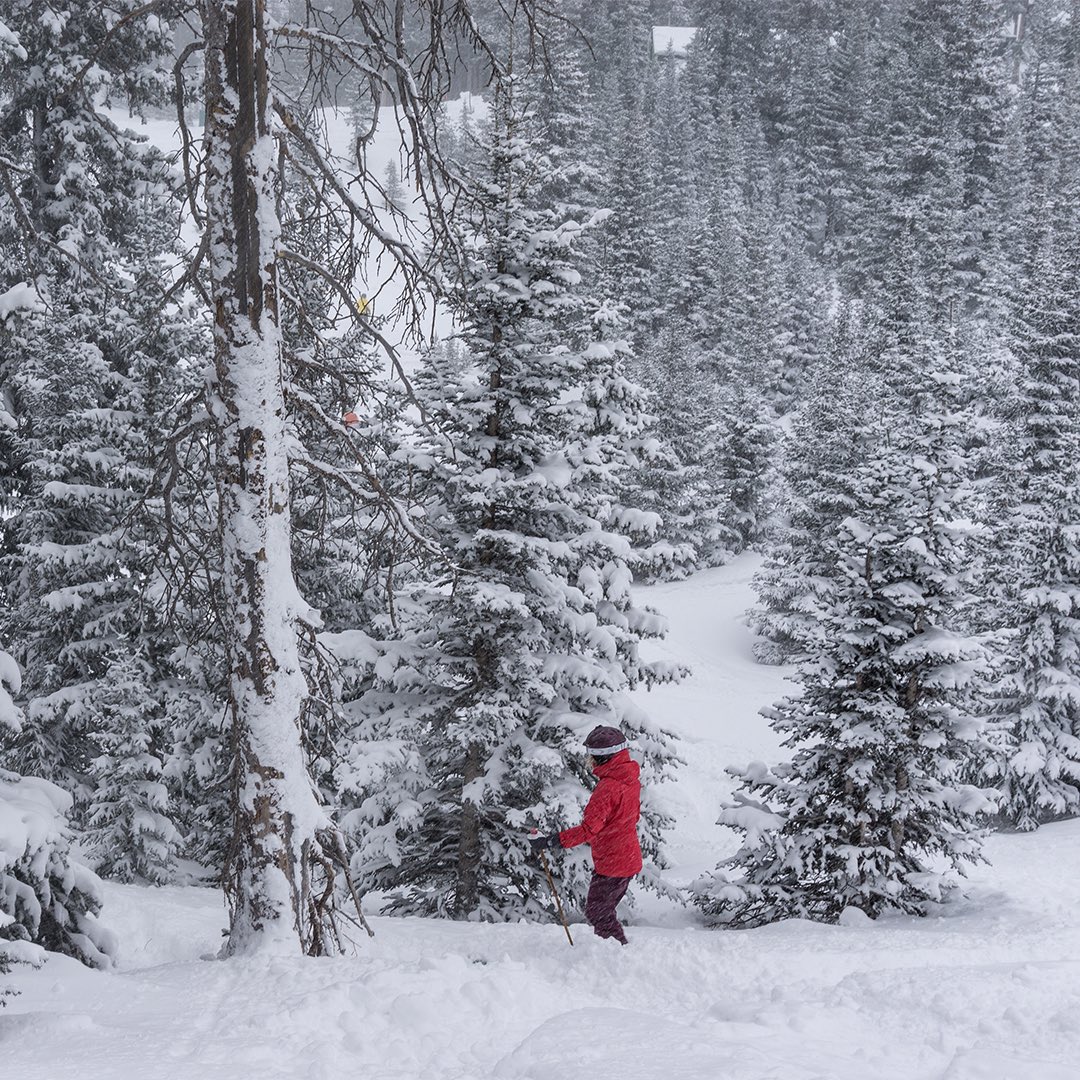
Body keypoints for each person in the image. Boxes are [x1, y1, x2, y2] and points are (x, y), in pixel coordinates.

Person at [529, 725, 642, 945]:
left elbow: (588, 830)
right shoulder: (629, 779)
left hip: (614, 863)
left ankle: (619, 951)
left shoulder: (608, 788)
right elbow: (630, 817)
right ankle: (612, 949)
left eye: (591, 756)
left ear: (602, 757)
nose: (589, 761)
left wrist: (550, 841)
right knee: (601, 910)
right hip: (625, 857)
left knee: (598, 911)